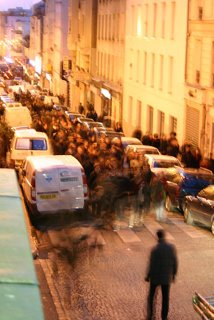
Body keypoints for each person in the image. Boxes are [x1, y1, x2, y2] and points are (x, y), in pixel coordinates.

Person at [145, 229, 178, 320]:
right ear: (164, 236)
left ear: (157, 237)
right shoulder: (171, 248)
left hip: (155, 277)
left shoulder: (155, 250)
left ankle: (151, 315)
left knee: (151, 297)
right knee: (165, 298)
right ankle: (164, 317)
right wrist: (174, 274)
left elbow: (151, 264)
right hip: (166, 278)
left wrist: (148, 276)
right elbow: (175, 262)